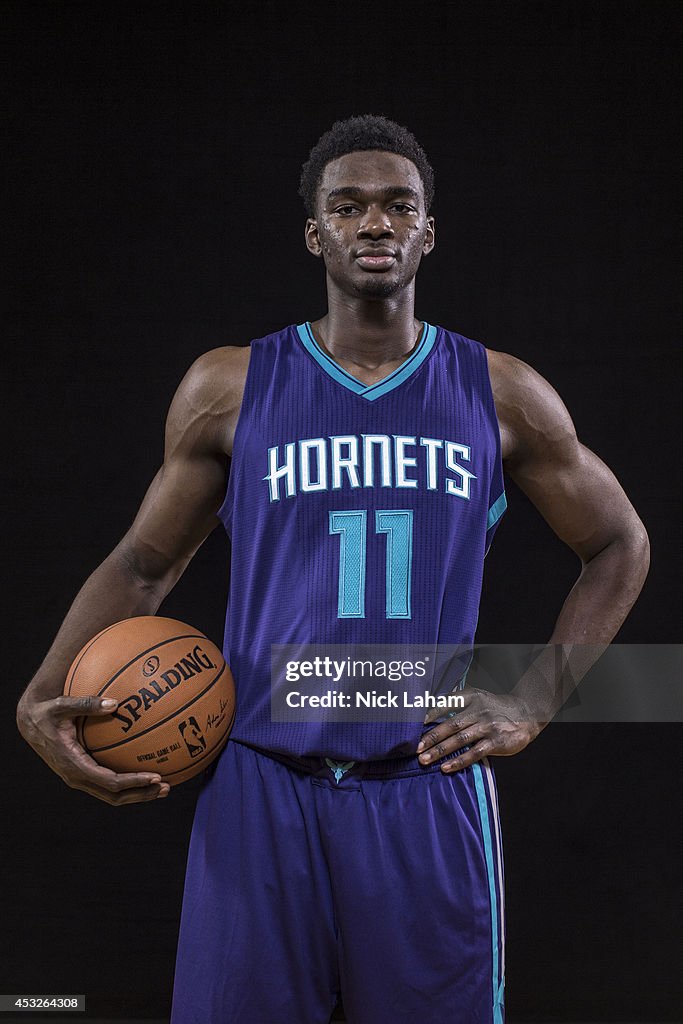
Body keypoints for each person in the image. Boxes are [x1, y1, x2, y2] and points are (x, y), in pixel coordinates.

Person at [16, 114, 649, 1024]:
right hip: (260, 785)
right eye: (347, 207)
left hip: (421, 787)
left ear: (428, 231)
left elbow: (618, 543)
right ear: (316, 234)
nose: (375, 224)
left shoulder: (499, 390)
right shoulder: (229, 386)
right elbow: (144, 564)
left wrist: (539, 693)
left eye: (398, 206)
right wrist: (41, 690)